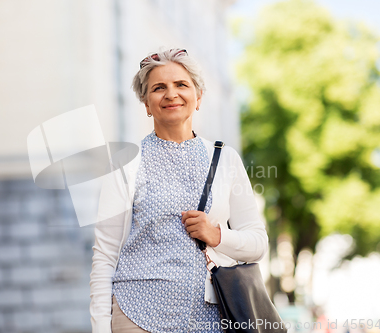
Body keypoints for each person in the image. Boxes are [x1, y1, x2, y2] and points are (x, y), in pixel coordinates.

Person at [89, 48, 269, 333]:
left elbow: (258, 243)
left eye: (181, 85)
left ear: (198, 97)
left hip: (212, 320)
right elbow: (105, 255)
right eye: (159, 88)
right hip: (137, 316)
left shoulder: (225, 159)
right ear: (147, 104)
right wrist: (100, 328)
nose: (171, 94)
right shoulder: (126, 164)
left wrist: (217, 235)